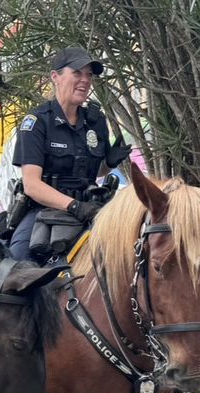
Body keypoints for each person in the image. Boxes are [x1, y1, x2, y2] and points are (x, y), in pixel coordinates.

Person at [8, 46, 131, 262]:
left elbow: (94, 170)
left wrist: (109, 162)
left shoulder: (95, 121)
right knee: (15, 266)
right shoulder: (37, 122)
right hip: (43, 212)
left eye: (89, 75)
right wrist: (74, 206)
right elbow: (32, 185)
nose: (85, 80)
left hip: (92, 210)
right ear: (55, 77)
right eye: (77, 73)